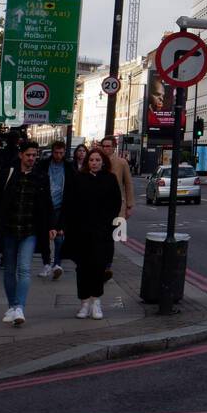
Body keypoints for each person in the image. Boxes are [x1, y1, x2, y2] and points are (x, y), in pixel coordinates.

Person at [0, 140, 53, 326]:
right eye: (28, 155)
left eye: (34, 155)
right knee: (9, 269)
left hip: (30, 230)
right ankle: (12, 305)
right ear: (21, 155)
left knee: (24, 268)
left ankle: (19, 307)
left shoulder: (41, 177)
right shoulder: (8, 174)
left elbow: (46, 204)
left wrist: (51, 226)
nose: (32, 158)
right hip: (9, 228)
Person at [60, 147, 121, 320]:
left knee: (98, 267)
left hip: (101, 231)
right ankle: (84, 303)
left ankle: (96, 302)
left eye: (97, 160)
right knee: (83, 268)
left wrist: (108, 223)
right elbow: (69, 202)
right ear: (87, 162)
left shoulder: (110, 179)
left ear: (103, 162)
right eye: (91, 160)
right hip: (80, 231)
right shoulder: (78, 178)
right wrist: (64, 225)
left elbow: (115, 203)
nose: (94, 163)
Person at [98, 136, 133, 283]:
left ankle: (107, 266)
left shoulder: (121, 162)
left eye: (108, 146)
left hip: (117, 207)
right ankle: (100, 265)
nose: (106, 149)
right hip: (99, 207)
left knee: (111, 238)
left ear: (114, 147)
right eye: (103, 146)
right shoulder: (96, 161)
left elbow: (128, 184)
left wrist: (129, 206)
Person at [36, 140, 71, 280]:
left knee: (59, 236)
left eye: (61, 153)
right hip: (45, 204)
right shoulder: (44, 164)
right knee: (45, 235)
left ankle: (57, 264)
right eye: (56, 152)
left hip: (60, 205)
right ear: (52, 151)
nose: (58, 155)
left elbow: (72, 187)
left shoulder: (68, 166)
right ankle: (46, 264)